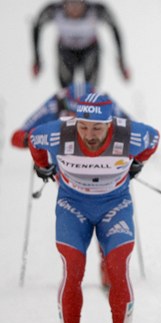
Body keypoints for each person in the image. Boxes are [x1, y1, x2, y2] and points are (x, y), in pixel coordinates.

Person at [28, 93, 159, 323]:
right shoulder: (59, 133)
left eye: (97, 128)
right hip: (73, 205)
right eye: (84, 127)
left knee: (118, 267)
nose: (89, 135)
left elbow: (154, 138)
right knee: (73, 269)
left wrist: (138, 162)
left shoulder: (129, 134)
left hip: (115, 204)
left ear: (110, 124)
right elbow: (33, 138)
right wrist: (42, 166)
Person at [11, 82, 130, 290]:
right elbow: (20, 134)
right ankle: (75, 270)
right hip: (68, 175)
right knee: (77, 219)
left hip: (106, 172)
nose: (86, 129)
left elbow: (131, 129)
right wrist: (31, 140)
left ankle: (108, 263)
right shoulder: (55, 103)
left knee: (108, 215)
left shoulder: (106, 102)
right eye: (74, 115)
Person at [31, 0, 130, 87]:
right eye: (70, 4)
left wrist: (121, 60)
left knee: (91, 86)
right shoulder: (54, 10)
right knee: (66, 85)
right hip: (66, 50)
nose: (74, 9)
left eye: (78, 3)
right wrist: (37, 58)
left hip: (90, 49)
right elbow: (37, 27)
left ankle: (90, 102)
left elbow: (114, 28)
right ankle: (66, 102)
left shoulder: (96, 10)